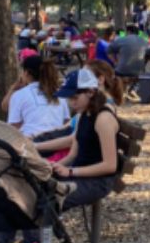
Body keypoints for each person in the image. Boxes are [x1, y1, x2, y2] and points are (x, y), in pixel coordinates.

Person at [50, 68, 121, 210]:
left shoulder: (103, 119)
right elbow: (73, 155)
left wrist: (70, 172)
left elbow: (110, 165)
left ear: (91, 92)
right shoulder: (83, 113)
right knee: (28, 190)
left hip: (97, 181)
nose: (71, 103)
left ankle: (47, 231)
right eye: (69, 98)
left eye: (75, 98)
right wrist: (53, 168)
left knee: (47, 202)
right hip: (78, 174)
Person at [3, 55, 69, 137]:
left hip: (31, 144)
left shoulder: (20, 95)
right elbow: (66, 121)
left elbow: (14, 126)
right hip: (57, 141)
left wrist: (13, 90)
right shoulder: (59, 94)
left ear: (26, 73)